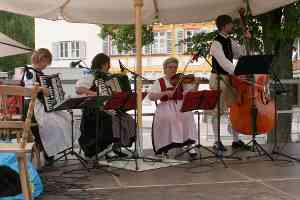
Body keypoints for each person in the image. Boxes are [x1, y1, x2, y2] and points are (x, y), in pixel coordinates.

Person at [75, 53, 136, 159]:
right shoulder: (91, 75)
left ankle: (115, 148)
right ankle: (104, 149)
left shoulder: (109, 77)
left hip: (108, 108)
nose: (109, 66)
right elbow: (79, 89)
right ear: (103, 64)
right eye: (108, 63)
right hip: (94, 110)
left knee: (127, 119)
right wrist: (96, 94)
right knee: (109, 120)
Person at [22, 48, 73, 165]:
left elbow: (46, 92)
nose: (47, 65)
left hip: (40, 106)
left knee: (66, 119)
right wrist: (41, 88)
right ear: (41, 58)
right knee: (52, 124)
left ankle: (52, 150)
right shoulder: (30, 72)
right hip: (31, 107)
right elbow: (28, 89)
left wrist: (57, 93)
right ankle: (48, 151)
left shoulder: (40, 73)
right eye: (47, 62)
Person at [209, 14, 251, 151]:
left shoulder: (229, 41)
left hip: (230, 78)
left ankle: (235, 140)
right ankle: (216, 141)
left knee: (234, 109)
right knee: (218, 111)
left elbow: (241, 54)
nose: (233, 26)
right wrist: (238, 73)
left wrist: (246, 40)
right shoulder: (216, 43)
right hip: (218, 78)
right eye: (230, 24)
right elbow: (224, 62)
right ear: (224, 26)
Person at [148, 57, 200, 158]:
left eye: (175, 67)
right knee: (168, 118)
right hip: (165, 106)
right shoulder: (159, 81)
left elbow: (192, 92)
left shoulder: (181, 80)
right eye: (170, 67)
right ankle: (164, 147)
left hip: (180, 105)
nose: (173, 70)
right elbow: (151, 96)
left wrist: (197, 83)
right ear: (165, 68)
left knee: (188, 116)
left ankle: (189, 144)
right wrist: (164, 93)